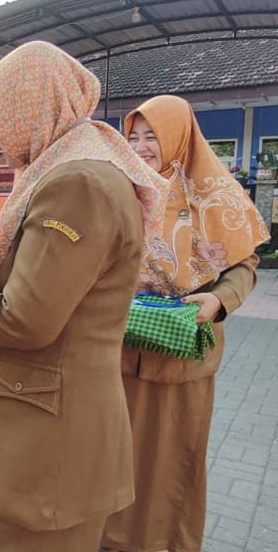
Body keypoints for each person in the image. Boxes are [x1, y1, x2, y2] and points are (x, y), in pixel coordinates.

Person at [0, 41, 167, 552]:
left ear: (31, 108)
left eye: (2, 120)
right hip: (48, 441)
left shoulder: (77, 183)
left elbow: (24, 319)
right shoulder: (78, 162)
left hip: (42, 452)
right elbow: (41, 251)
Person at [100, 95, 270, 552]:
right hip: (120, 348)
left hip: (183, 353)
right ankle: (110, 540)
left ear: (178, 136)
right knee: (114, 452)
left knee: (172, 459)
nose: (141, 147)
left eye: (152, 136)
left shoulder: (212, 194)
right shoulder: (122, 188)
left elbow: (244, 264)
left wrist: (219, 299)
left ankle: (165, 542)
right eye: (133, 137)